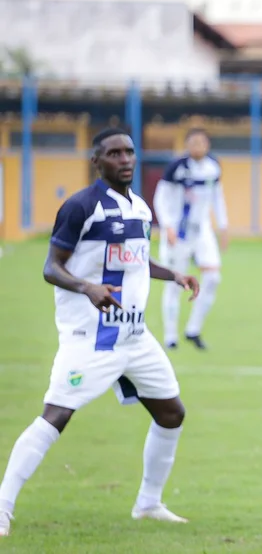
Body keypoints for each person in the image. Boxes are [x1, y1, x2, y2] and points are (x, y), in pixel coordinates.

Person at [0, 128, 200, 537]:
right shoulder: (80, 206)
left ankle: (148, 504)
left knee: (171, 413)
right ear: (98, 161)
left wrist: (173, 273)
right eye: (114, 153)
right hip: (91, 337)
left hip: (135, 337)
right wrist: (87, 287)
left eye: (129, 152)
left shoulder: (141, 209)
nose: (125, 159)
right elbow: (51, 267)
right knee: (55, 417)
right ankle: (2, 507)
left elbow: (137, 261)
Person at [153, 128, 228, 350]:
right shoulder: (177, 168)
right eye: (193, 142)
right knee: (175, 282)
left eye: (202, 142)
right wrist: (167, 226)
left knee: (213, 277)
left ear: (208, 145)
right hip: (179, 231)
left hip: (202, 230)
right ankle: (171, 336)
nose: (198, 146)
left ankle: (193, 330)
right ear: (187, 145)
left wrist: (223, 226)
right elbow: (161, 197)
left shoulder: (213, 168)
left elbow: (218, 197)